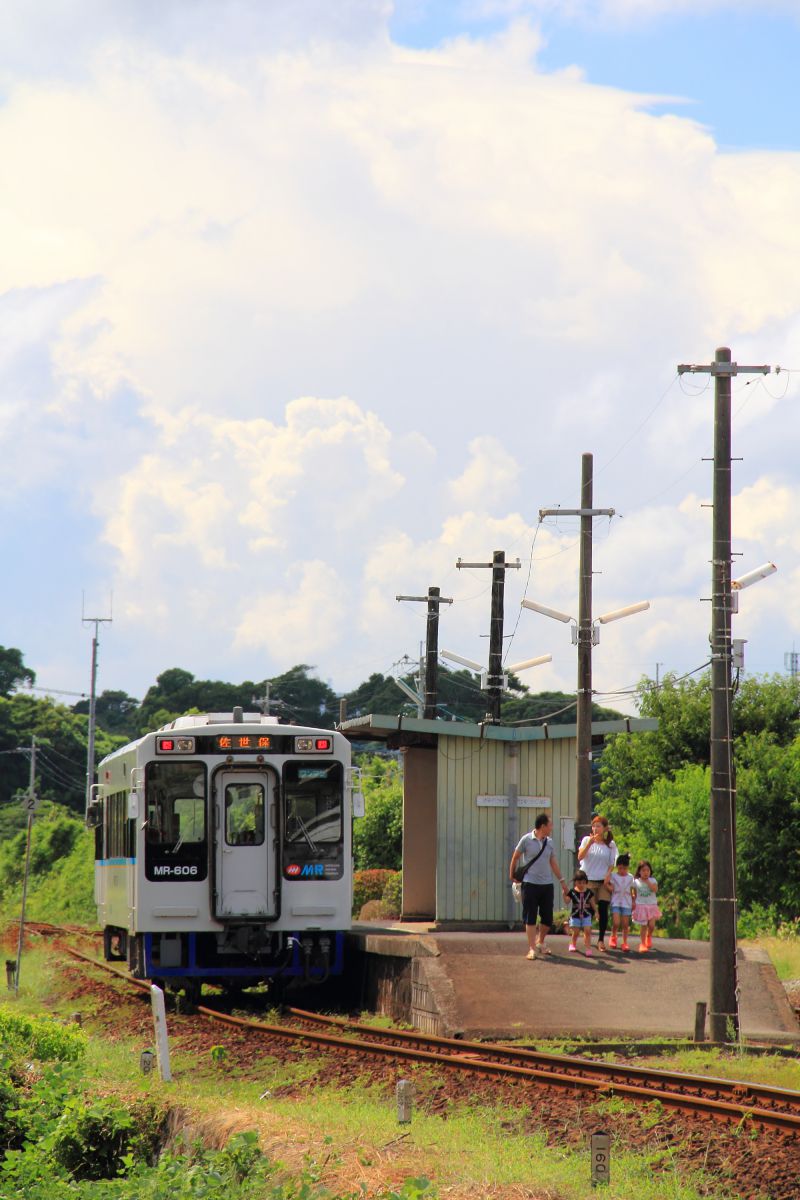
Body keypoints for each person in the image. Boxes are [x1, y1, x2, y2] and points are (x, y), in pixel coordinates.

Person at [509, 813, 569, 960]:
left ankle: (541, 941)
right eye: (550, 825)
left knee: (547, 918)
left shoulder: (550, 842)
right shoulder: (526, 839)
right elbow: (515, 857)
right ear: (543, 826)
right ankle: (532, 948)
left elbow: (553, 862)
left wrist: (562, 881)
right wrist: (512, 875)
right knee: (530, 917)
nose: (551, 827)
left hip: (547, 884)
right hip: (530, 884)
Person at [576, 815, 618, 953]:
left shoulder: (610, 844)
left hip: (603, 881)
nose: (595, 828)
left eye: (598, 826)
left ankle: (600, 939)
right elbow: (580, 856)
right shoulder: (587, 840)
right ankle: (586, 934)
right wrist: (590, 843)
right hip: (588, 880)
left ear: (605, 828)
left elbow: (612, 862)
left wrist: (608, 874)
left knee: (603, 909)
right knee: (587, 909)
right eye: (594, 826)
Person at [604, 853, 634, 952]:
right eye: (620, 868)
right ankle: (613, 936)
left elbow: (632, 890)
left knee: (625, 924)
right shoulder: (614, 876)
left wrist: (634, 901)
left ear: (628, 868)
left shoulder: (630, 877)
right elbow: (610, 886)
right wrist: (607, 885)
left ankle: (625, 942)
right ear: (617, 867)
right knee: (616, 922)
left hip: (627, 902)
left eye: (624, 868)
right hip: (616, 901)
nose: (622, 871)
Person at [632, 860, 661, 952]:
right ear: (639, 871)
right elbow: (634, 892)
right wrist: (633, 901)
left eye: (648, 870)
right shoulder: (636, 881)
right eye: (643, 870)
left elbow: (655, 890)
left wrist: (648, 882)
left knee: (651, 925)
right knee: (643, 925)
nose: (646, 872)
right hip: (641, 905)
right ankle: (643, 944)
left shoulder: (653, 880)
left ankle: (649, 936)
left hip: (651, 905)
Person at [567, 870, 595, 957]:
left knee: (587, 931)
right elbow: (567, 901)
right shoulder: (572, 892)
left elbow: (592, 903)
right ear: (575, 882)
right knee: (576, 932)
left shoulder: (589, 892)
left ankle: (588, 948)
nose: (581, 885)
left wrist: (596, 912)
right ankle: (573, 944)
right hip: (575, 915)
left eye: (583, 882)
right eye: (579, 882)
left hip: (586, 915)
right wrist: (564, 894)